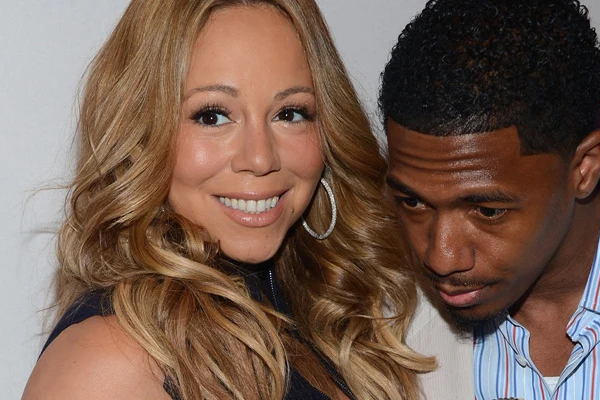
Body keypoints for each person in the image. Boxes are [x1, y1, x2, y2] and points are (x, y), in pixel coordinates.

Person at [23, 1, 436, 399]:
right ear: (141, 135)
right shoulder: (109, 359)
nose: (260, 159)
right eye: (212, 116)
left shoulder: (326, 319)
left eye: (290, 113)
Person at [379, 0, 600, 399]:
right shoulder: (378, 317)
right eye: (413, 202)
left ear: (584, 168)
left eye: (488, 210)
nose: (441, 258)